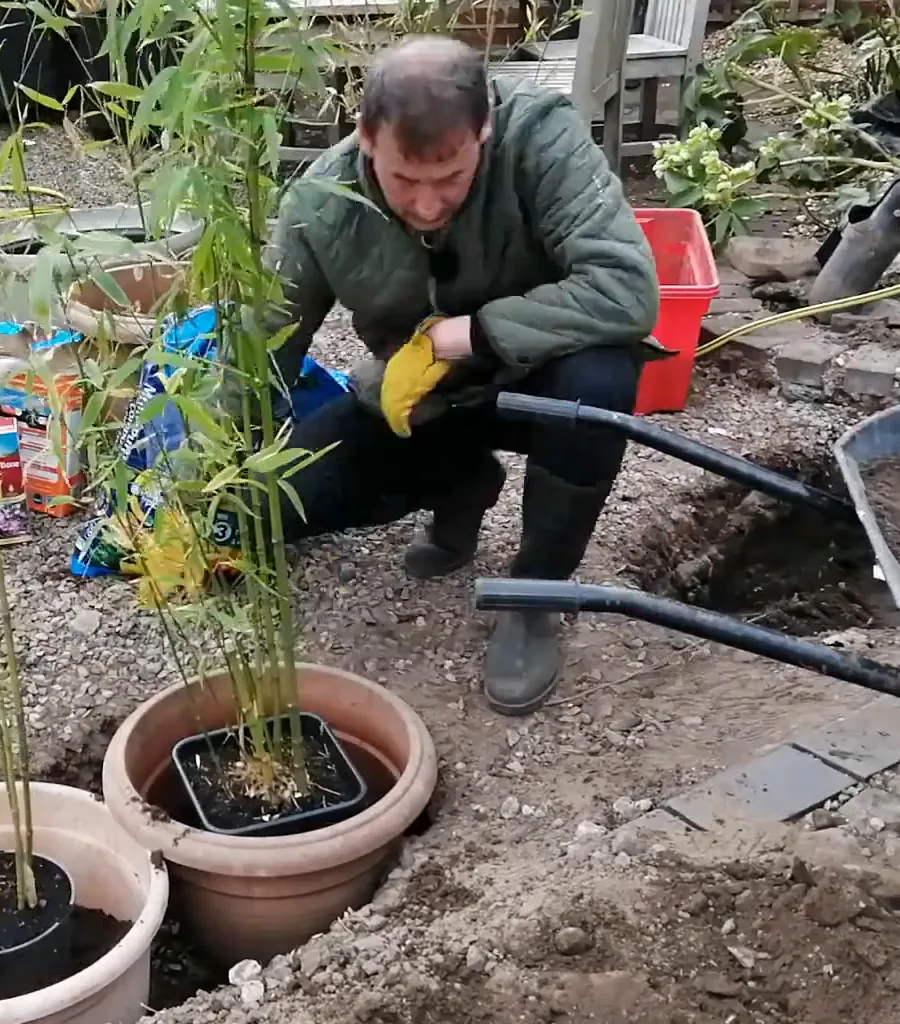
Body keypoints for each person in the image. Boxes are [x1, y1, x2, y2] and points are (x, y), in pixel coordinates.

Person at [263, 34, 663, 716]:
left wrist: (474, 332)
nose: (426, 204)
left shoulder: (541, 138)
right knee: (285, 502)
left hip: (545, 382)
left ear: (484, 129)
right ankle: (464, 483)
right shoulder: (321, 204)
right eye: (403, 181)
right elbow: (263, 348)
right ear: (365, 138)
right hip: (427, 405)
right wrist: (210, 475)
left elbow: (627, 289)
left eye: (449, 179)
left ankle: (535, 595)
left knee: (600, 382)